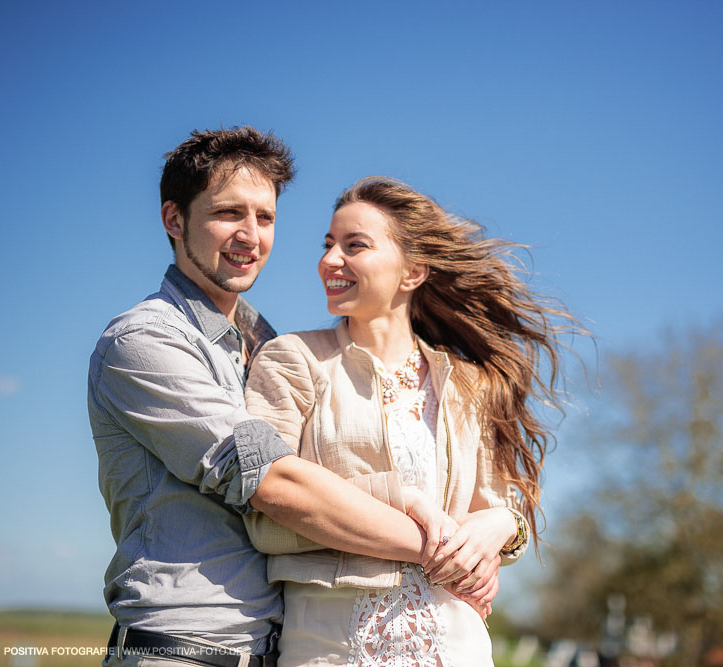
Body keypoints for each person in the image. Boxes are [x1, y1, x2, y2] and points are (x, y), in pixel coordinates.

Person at [88, 130, 477, 667]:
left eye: (265, 218)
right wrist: (447, 553)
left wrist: (498, 532)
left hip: (278, 649)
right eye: (228, 213)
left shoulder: (262, 343)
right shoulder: (145, 339)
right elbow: (273, 482)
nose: (250, 235)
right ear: (174, 220)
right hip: (183, 647)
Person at [243, 177, 578, 666]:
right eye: (329, 244)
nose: (330, 260)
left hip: (457, 646)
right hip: (334, 648)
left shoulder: (468, 383)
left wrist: (503, 525)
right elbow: (267, 509)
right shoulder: (292, 361)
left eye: (354, 245)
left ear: (413, 271)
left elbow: (502, 503)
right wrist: (413, 510)